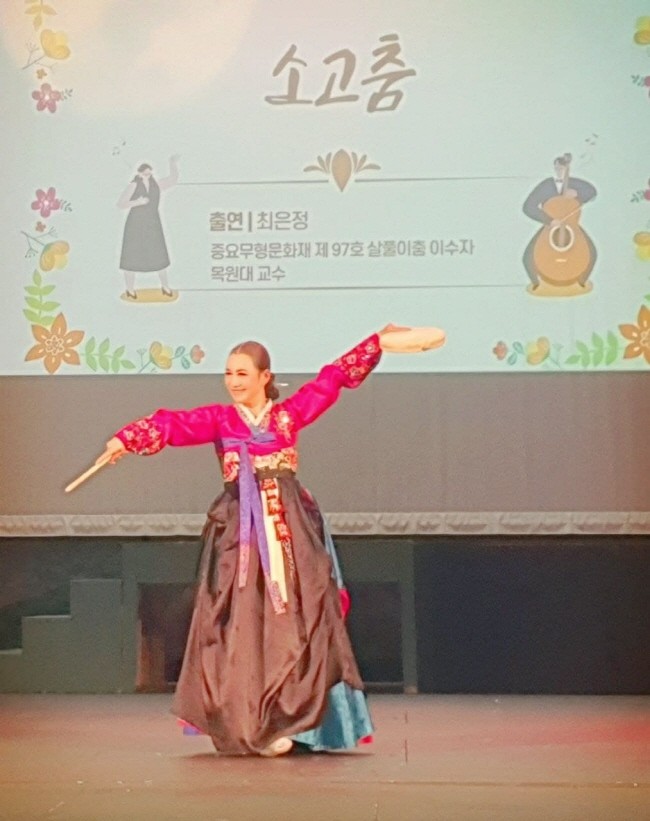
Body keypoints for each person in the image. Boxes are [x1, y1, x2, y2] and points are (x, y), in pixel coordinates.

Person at [98, 326, 405, 757]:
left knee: (298, 621)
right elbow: (172, 424)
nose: (234, 381)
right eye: (228, 373)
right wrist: (125, 440)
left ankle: (296, 722)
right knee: (238, 624)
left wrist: (377, 344)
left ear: (265, 377)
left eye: (242, 373)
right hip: (239, 536)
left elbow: (331, 378)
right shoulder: (221, 420)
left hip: (287, 530)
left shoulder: (288, 416)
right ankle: (248, 723)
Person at [522, 153, 597, 290]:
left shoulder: (574, 183)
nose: (560, 171)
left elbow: (592, 192)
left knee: (592, 253)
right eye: (558, 168)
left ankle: (582, 281)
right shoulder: (546, 185)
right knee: (527, 257)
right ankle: (535, 283)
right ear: (554, 167)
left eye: (563, 168)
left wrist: (577, 194)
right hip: (550, 226)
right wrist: (549, 220)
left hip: (572, 225)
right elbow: (528, 207)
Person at [117, 155, 180, 299]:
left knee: (159, 255)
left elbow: (172, 180)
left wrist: (172, 163)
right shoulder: (133, 185)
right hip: (136, 224)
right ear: (139, 174)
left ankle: (165, 287)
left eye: (150, 174)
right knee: (131, 256)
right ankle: (130, 289)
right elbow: (121, 204)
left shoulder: (155, 184)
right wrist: (137, 202)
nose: (148, 176)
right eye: (145, 174)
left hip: (153, 223)